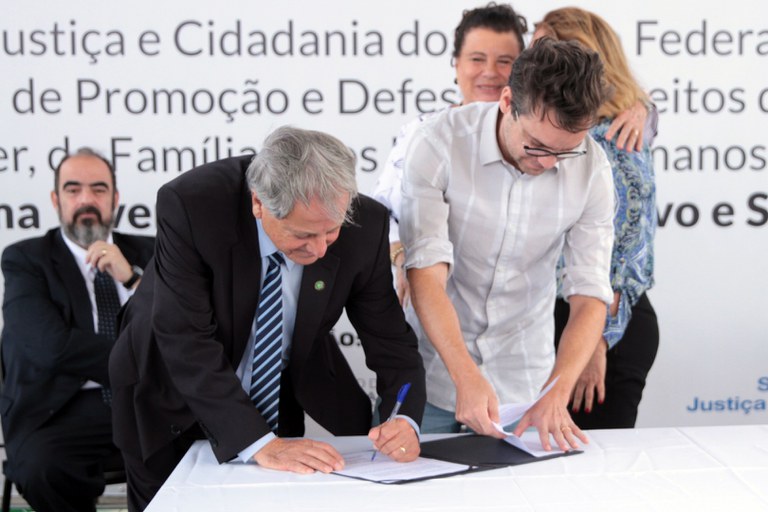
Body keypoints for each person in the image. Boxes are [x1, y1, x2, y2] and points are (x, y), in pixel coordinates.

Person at [109, 126, 427, 510]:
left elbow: (391, 340)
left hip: (273, 396)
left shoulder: (366, 225)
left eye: (331, 231)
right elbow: (185, 340)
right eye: (303, 235)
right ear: (259, 204)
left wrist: (403, 419)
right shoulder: (193, 204)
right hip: (168, 394)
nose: (321, 248)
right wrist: (259, 443)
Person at [400, 38, 614, 451]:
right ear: (506, 101)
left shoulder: (592, 169)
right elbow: (425, 273)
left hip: (527, 383)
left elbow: (589, 294)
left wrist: (558, 389)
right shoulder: (438, 144)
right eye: (536, 145)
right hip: (434, 373)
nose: (549, 163)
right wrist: (465, 376)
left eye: (565, 152)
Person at [374, 2, 647, 307]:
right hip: (429, 316)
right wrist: (402, 259)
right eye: (477, 58)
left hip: (528, 329)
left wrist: (641, 107)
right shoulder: (424, 134)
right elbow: (385, 213)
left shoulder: (588, 143)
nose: (490, 72)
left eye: (505, 61)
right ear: (457, 64)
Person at [0, 149, 154, 512]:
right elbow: (50, 346)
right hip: (59, 409)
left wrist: (133, 280)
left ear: (115, 199)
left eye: (99, 190)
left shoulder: (151, 253)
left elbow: (182, 326)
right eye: (73, 190)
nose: (86, 199)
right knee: (44, 468)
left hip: (146, 404)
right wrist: (142, 358)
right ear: (56, 200)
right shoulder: (26, 259)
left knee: (202, 453)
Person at [535, 7, 659, 429]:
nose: (530, 58)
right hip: (568, 321)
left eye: (543, 46)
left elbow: (623, 252)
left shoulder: (614, 138)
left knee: (591, 475)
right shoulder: (598, 125)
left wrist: (596, 342)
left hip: (600, 328)